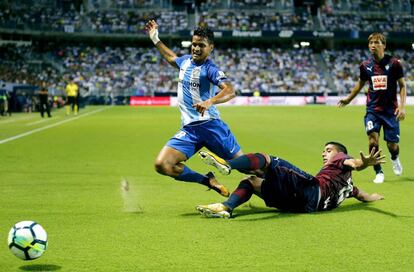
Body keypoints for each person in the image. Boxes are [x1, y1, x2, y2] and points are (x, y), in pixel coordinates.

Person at [145, 20, 243, 196]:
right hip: (189, 130)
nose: (196, 48)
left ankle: (277, 187)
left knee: (247, 167)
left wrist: (209, 102)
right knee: (162, 165)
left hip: (211, 126)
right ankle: (207, 180)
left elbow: (230, 91)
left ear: (210, 48)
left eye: (201, 46)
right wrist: (155, 39)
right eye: (194, 44)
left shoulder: (210, 69)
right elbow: (170, 57)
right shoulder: (185, 62)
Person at [196, 142, 385, 218]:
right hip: (299, 206)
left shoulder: (340, 158)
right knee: (252, 181)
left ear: (339, 153)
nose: (323, 153)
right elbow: (362, 196)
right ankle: (226, 208)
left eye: (328, 150)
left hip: (311, 190)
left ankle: (228, 164)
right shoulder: (349, 187)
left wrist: (364, 163)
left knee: (269, 159)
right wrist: (374, 197)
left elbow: (354, 163)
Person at [338, 32, 407, 184]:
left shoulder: (394, 63)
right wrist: (348, 99)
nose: (373, 46)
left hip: (391, 112)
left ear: (384, 45)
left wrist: (402, 107)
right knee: (372, 142)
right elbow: (360, 84)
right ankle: (378, 172)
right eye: (371, 43)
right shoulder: (365, 66)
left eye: (376, 42)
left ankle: (394, 158)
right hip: (373, 111)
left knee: (392, 145)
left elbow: (402, 86)